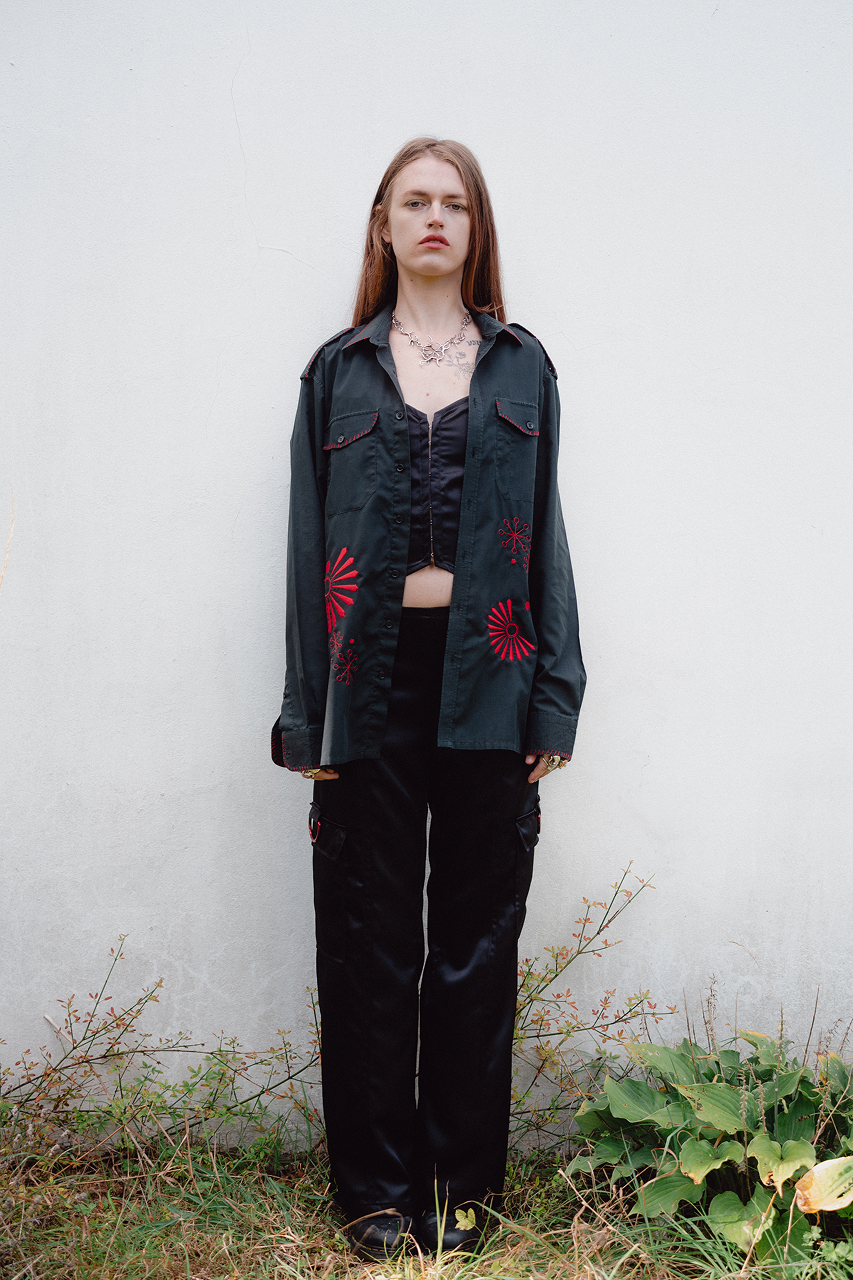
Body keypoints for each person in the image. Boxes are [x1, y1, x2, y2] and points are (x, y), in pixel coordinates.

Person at [272, 137, 585, 1259]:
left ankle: (461, 1188)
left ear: (475, 224)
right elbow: (308, 548)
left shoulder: (521, 368)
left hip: (489, 677)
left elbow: (546, 534)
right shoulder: (337, 371)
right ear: (384, 224)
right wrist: (308, 716)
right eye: (416, 200)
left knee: (472, 945)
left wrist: (553, 696)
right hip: (369, 689)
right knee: (368, 944)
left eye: (455, 201)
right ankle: (375, 1191)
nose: (436, 217)